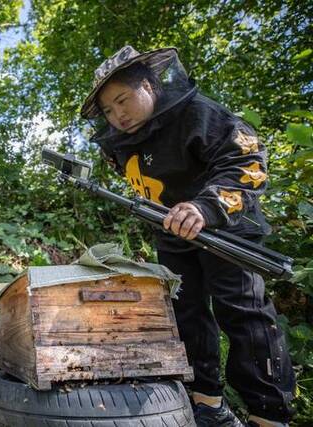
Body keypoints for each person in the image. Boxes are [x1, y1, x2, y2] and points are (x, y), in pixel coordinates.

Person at [81, 46, 295, 427]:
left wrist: (204, 207)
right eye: (109, 111)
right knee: (187, 315)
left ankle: (269, 414)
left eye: (123, 100)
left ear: (148, 85)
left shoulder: (200, 114)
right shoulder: (123, 144)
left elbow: (247, 162)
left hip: (228, 231)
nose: (118, 115)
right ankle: (208, 404)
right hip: (174, 236)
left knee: (242, 313)